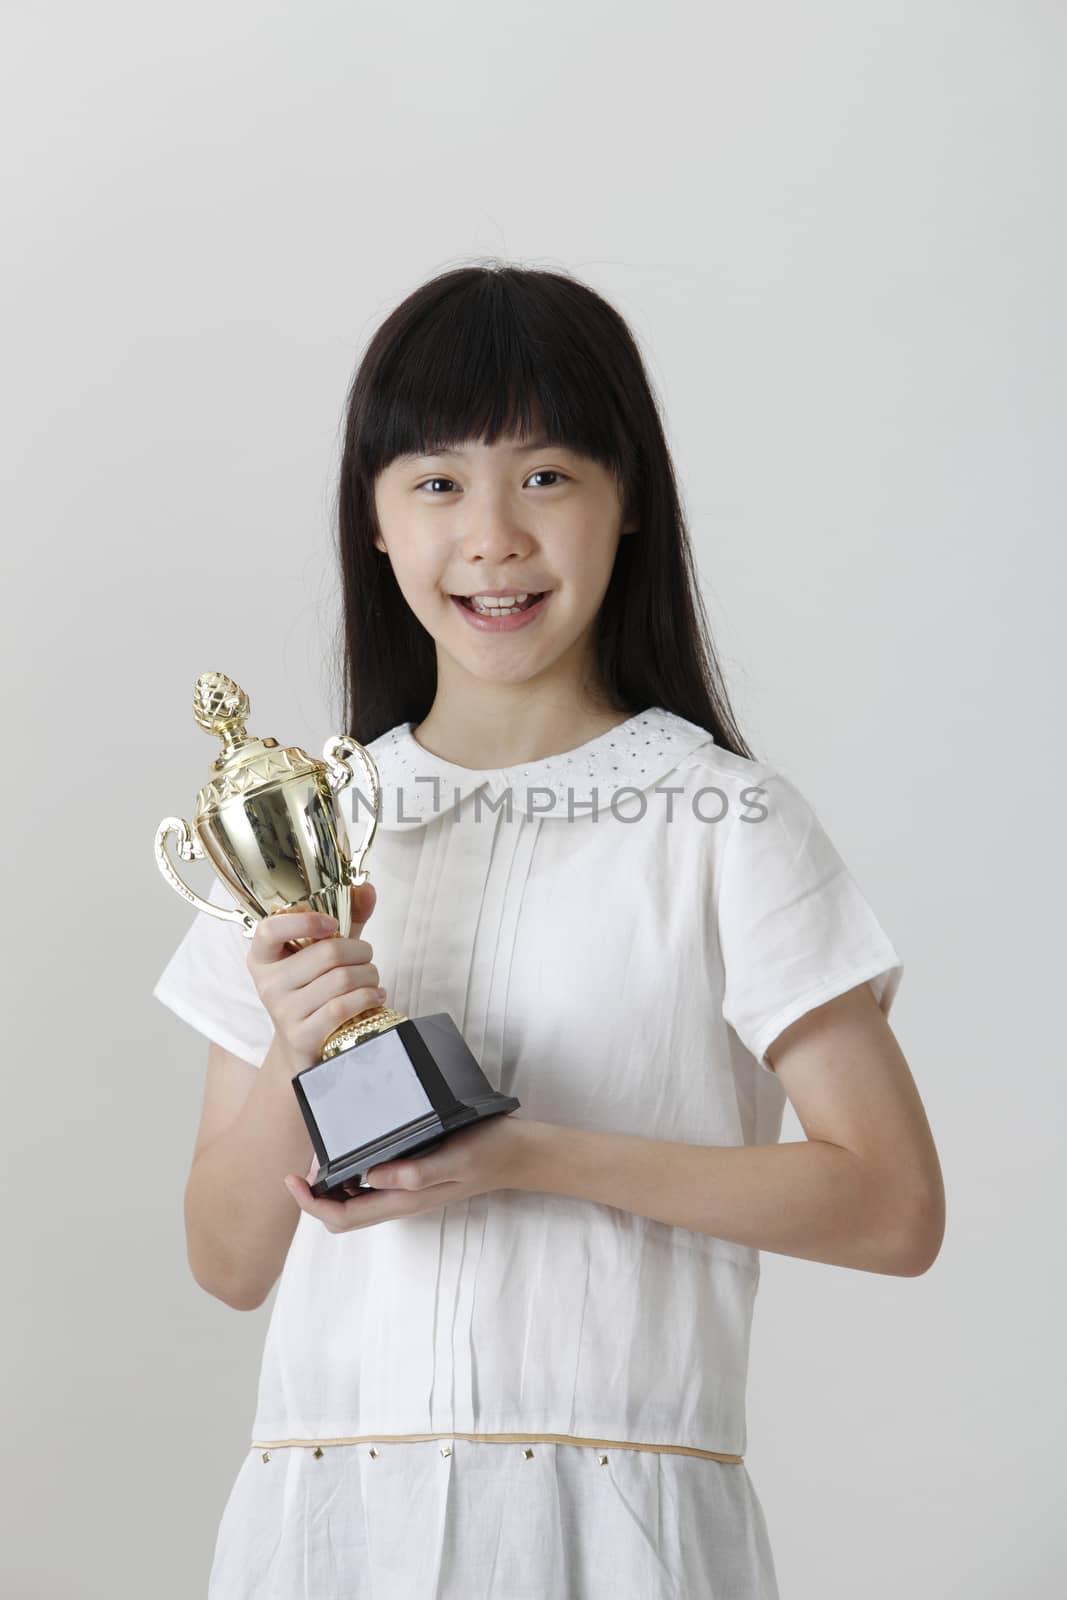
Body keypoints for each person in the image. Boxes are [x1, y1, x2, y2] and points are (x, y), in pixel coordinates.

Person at [152, 262, 944, 1598]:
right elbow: (228, 1261)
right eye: (439, 482)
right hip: (328, 1529)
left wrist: (532, 1158)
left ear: (629, 502)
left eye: (548, 477)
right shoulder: (315, 822)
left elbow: (893, 1204)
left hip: (614, 1526)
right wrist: (297, 1052)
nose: (495, 538)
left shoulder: (720, 820)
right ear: (379, 522)